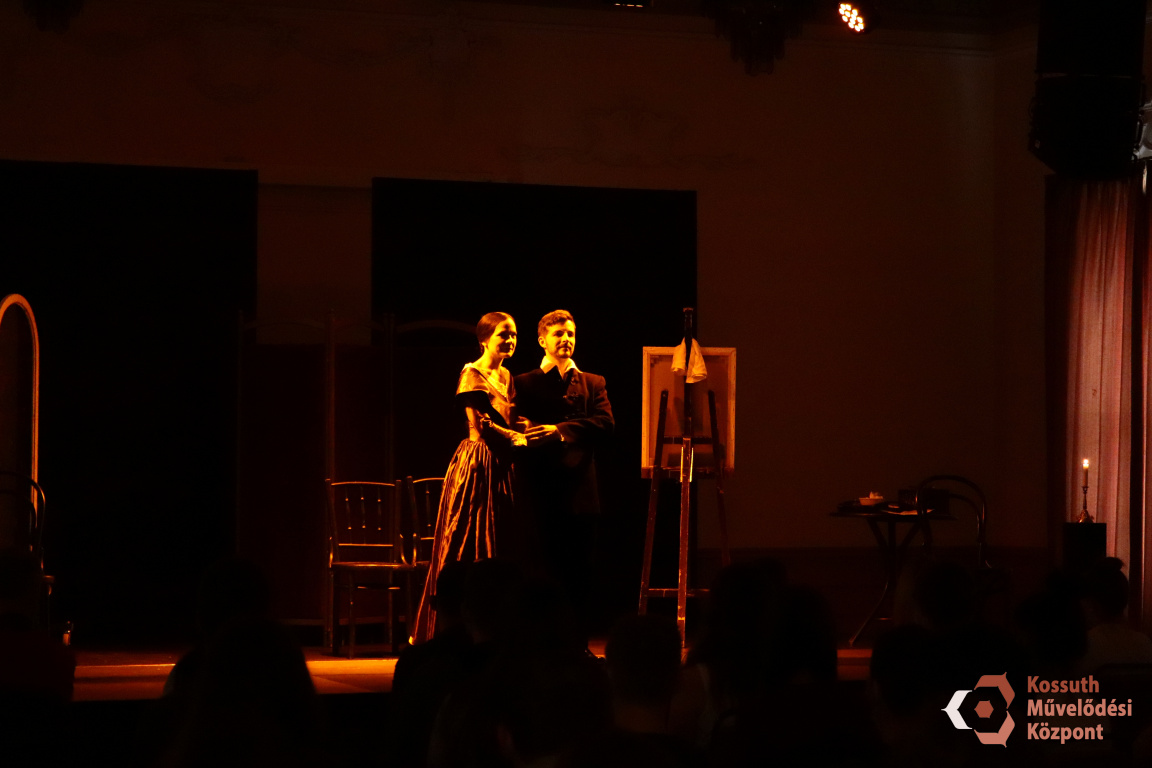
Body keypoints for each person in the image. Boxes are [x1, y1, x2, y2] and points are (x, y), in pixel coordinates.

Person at [412, 312, 525, 644]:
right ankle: (456, 629)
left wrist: (527, 431)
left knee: (503, 540)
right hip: (479, 461)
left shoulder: (507, 376)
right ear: (484, 339)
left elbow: (513, 418)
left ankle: (497, 627)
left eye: (513, 334)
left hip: (504, 464)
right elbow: (481, 423)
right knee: (467, 539)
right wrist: (515, 437)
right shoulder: (472, 373)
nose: (510, 340)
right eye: (503, 334)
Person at [513, 309, 614, 633]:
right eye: (558, 334)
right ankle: (543, 641)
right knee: (543, 570)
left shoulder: (592, 382)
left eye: (570, 333)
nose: (566, 339)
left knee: (580, 571)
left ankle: (577, 641)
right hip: (540, 489)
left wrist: (558, 430)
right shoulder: (524, 382)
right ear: (542, 340)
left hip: (581, 491)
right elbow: (516, 425)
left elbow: (606, 422)